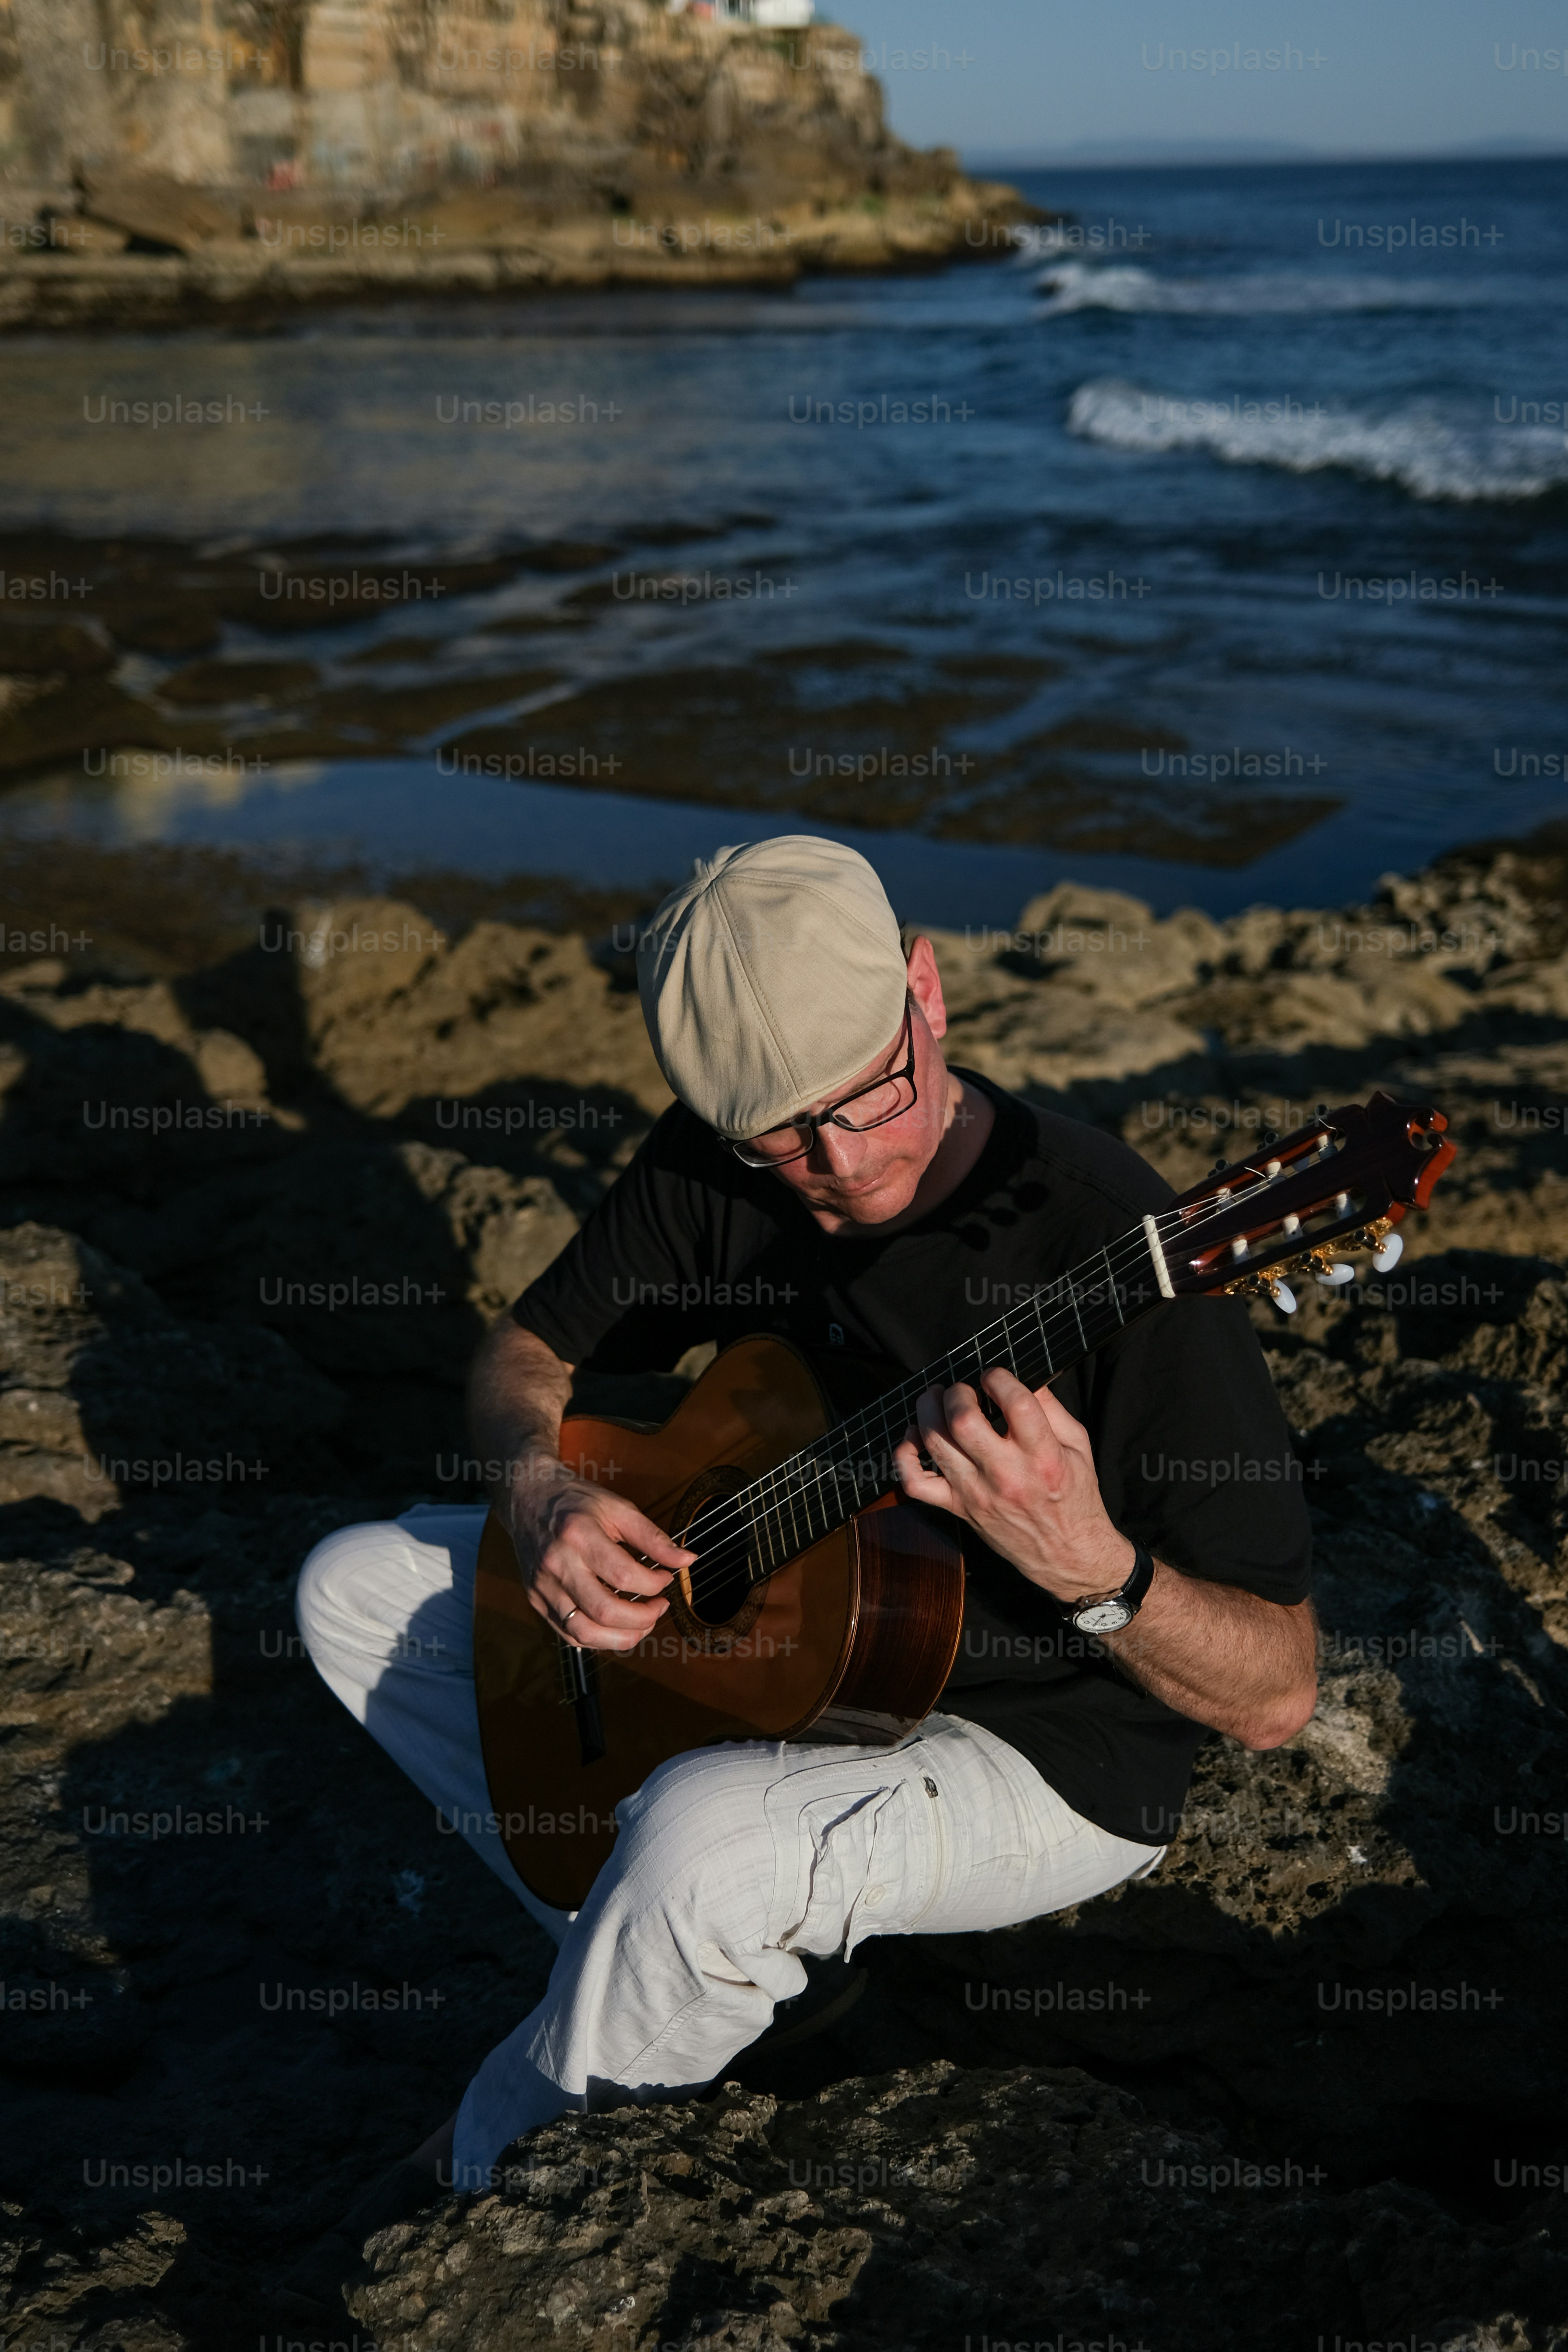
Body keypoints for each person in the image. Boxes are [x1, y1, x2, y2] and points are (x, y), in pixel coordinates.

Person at [284, 835, 1316, 2313]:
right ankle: (674, 1969)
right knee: (356, 1589)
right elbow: (530, 1356)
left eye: (870, 1096)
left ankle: (497, 2182)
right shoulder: (727, 1161)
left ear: (926, 989)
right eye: (780, 1138)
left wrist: (1094, 1568)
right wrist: (543, 1489)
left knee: (705, 1845)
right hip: (780, 1668)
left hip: (1047, 1753)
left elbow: (1278, 1691)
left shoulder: (1122, 1257)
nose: (841, 1166)